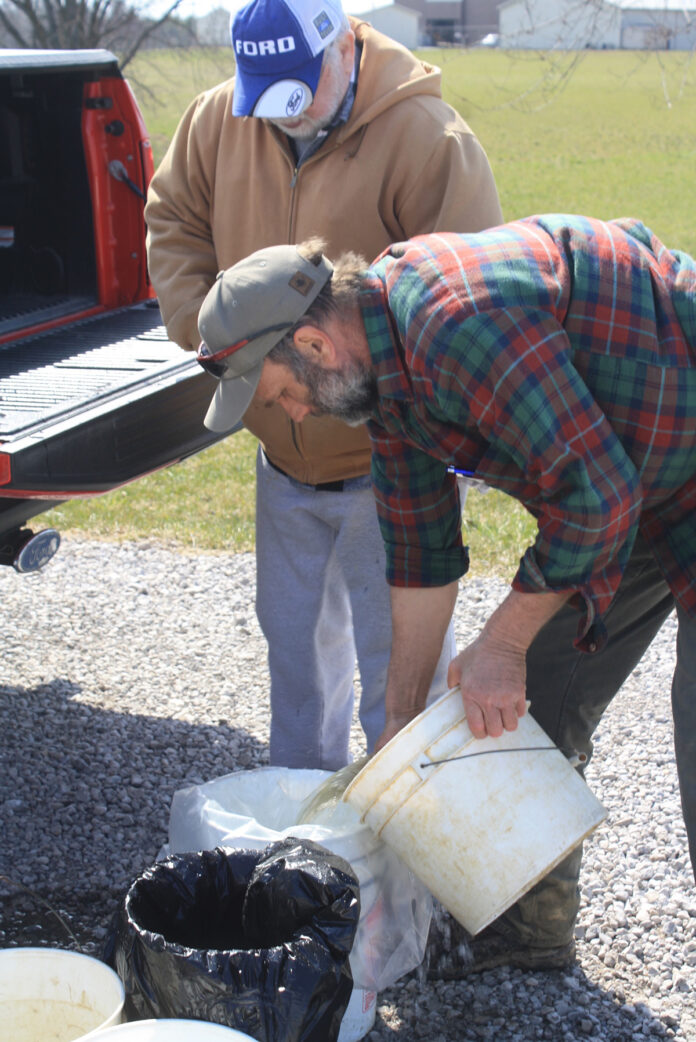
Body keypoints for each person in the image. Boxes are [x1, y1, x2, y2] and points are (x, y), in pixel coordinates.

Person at [192, 215, 696, 976]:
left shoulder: (453, 325)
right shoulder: (384, 380)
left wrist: (499, 644)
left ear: (316, 346)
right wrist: (399, 722)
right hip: (636, 477)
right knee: (520, 708)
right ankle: (530, 929)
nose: (295, 414)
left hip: (645, 470)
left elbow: (593, 499)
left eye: (285, 393)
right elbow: (422, 551)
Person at [145, 0, 503, 773]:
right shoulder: (216, 119)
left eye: (300, 87)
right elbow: (172, 216)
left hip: (391, 468)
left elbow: (462, 305)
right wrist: (207, 332)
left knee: (400, 678)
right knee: (297, 670)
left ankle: (404, 872)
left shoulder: (428, 140)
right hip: (283, 465)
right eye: (267, 91)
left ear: (345, 45)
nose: (287, 110)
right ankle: (303, 862)